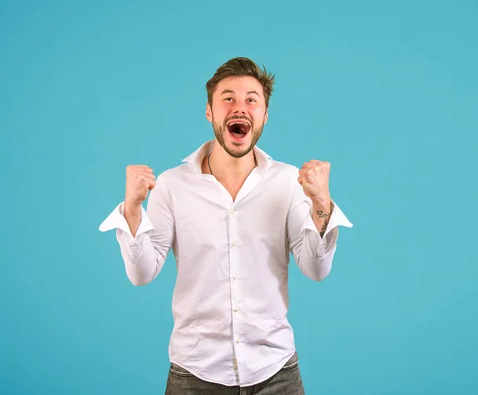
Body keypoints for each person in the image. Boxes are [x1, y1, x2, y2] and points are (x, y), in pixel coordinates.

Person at [98, 57, 353, 394]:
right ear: (210, 111)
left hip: (276, 374)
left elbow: (315, 268)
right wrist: (131, 208)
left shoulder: (289, 182)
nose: (240, 107)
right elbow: (141, 273)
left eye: (252, 100)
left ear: (264, 115)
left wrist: (321, 204)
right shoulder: (173, 185)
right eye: (228, 98)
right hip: (194, 375)